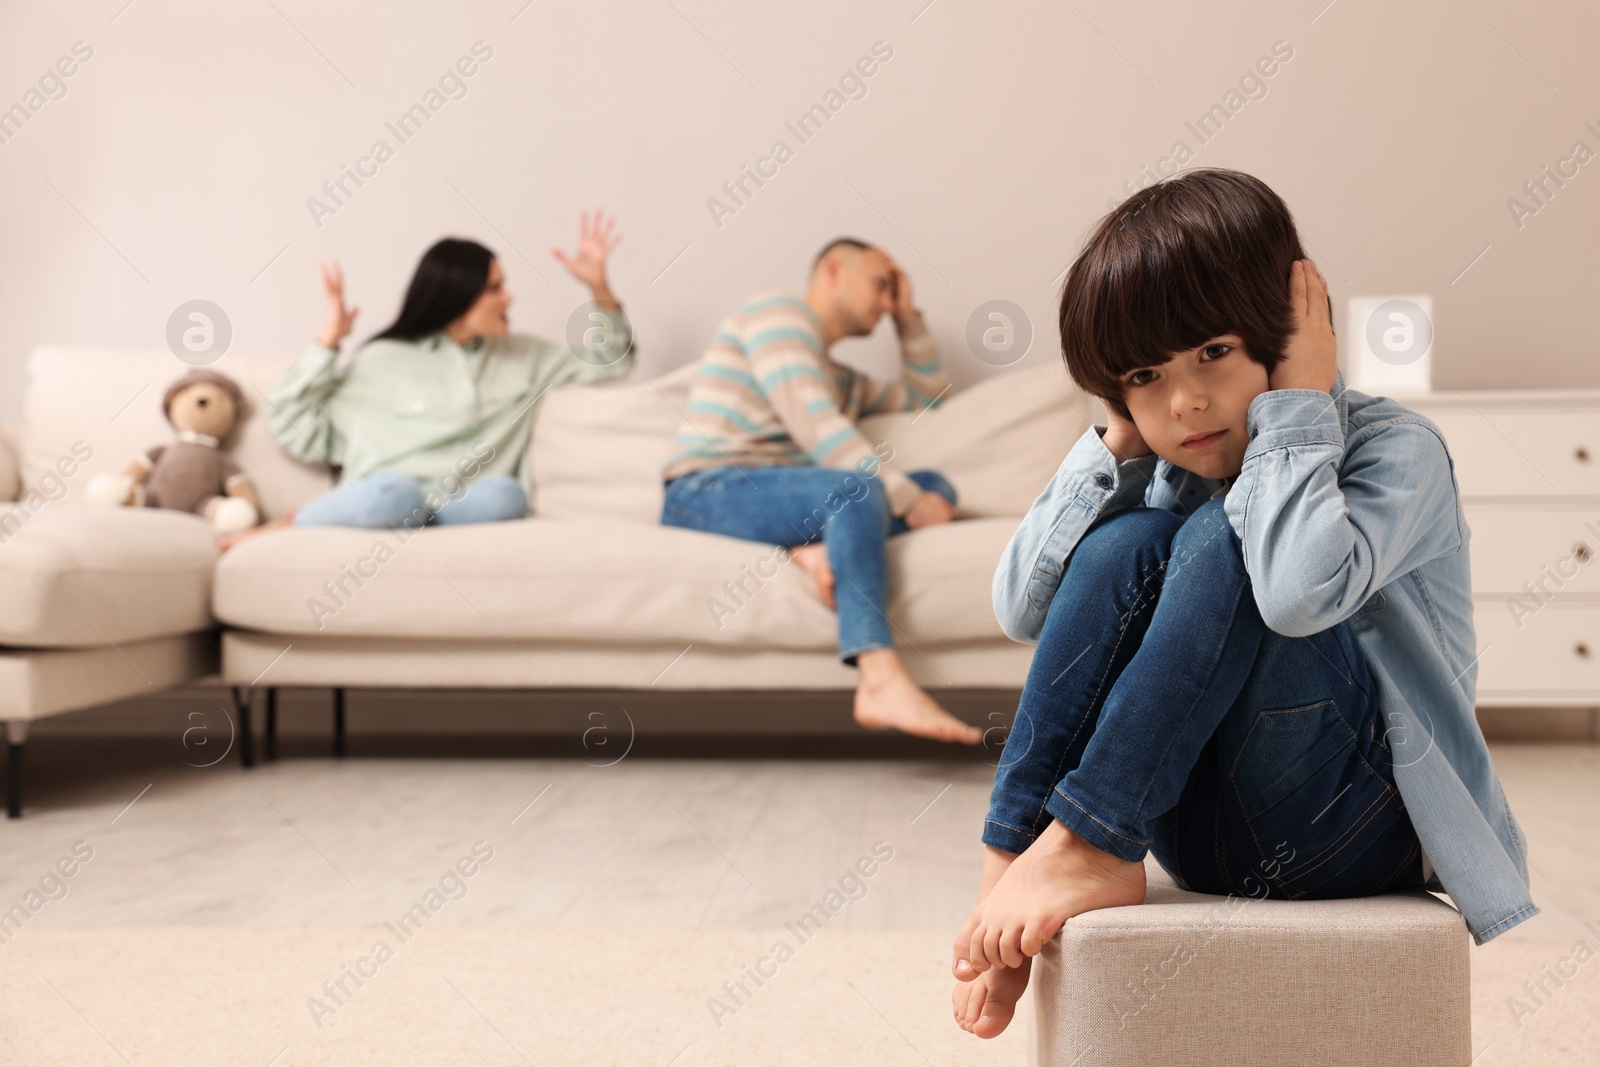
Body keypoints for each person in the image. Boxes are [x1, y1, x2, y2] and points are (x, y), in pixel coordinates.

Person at [950, 169, 1536, 1038]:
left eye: (1214, 353)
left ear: (1288, 334)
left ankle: (1090, 841)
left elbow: (1298, 595)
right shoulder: (1161, 459)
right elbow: (1021, 607)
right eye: (1146, 376)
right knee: (1123, 544)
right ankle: (1018, 849)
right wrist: (1118, 438)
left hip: (1354, 829)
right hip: (1203, 836)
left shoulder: (1396, 453)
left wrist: (1297, 408)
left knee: (1226, 535)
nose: (1183, 401)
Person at [660, 239, 981, 745]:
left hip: (783, 497)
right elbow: (817, 427)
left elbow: (926, 398)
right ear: (834, 271)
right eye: (881, 285)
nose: (885, 300)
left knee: (934, 484)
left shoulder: (837, 377)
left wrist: (907, 318)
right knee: (861, 491)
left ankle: (805, 548)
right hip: (705, 490)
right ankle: (878, 676)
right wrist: (903, 499)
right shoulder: (777, 314)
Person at [245, 211, 632, 543]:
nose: (509, 298)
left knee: (505, 495)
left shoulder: (524, 356)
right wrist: (328, 342)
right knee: (396, 494)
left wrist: (598, 287)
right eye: (495, 288)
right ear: (458, 295)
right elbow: (291, 427)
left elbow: (612, 359)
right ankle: (290, 525)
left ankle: (423, 531)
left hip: (462, 510)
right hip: (388, 502)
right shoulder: (382, 360)